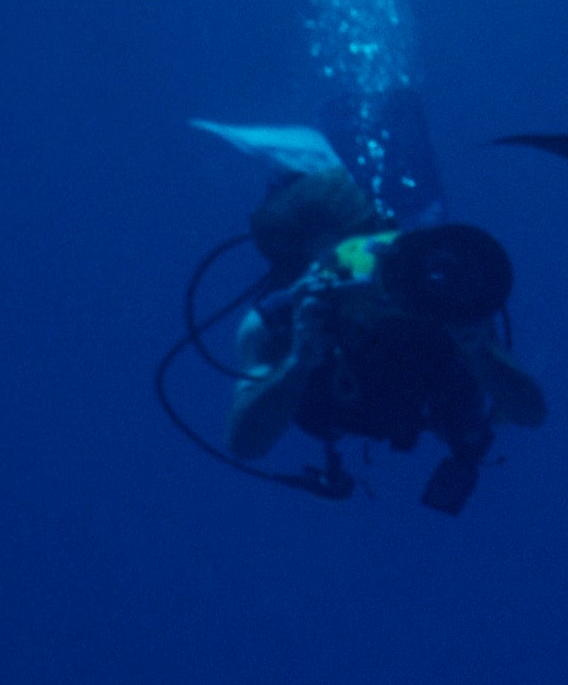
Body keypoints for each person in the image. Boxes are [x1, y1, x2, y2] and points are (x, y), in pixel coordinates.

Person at [222, 170, 546, 513]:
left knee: (465, 422)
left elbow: (529, 412)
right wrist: (299, 360)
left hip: (421, 407)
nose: (369, 273)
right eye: (339, 265)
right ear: (299, 272)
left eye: (370, 253)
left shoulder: (444, 300)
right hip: (330, 411)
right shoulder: (278, 323)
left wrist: (480, 353)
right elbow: (245, 444)